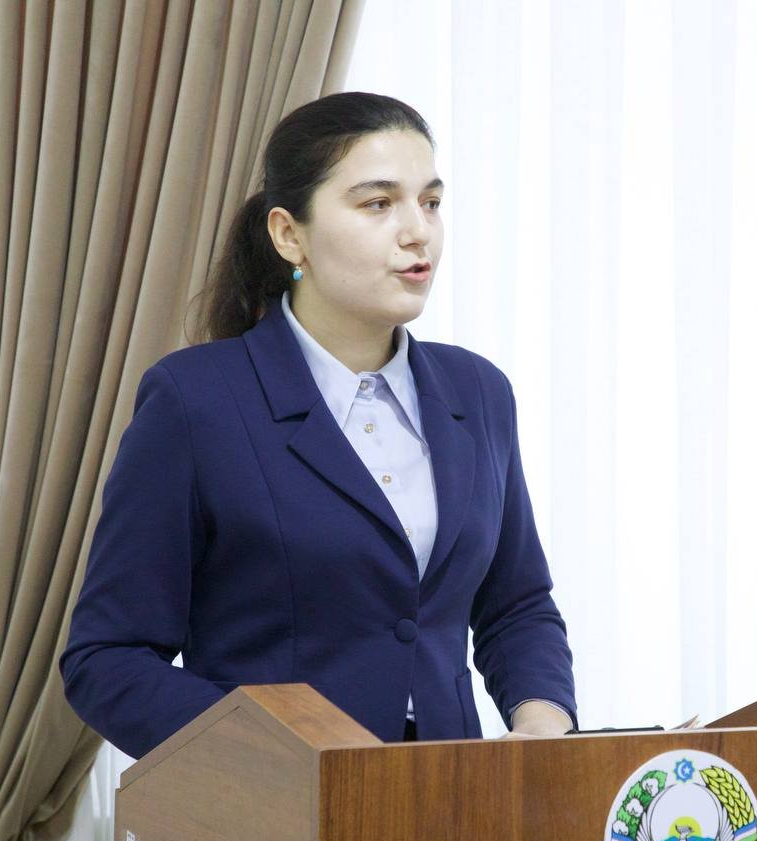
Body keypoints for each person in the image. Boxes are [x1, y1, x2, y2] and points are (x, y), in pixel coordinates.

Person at [59, 92, 577, 760]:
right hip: (272, 801)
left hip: (450, 795)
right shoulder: (195, 401)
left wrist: (542, 721)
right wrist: (276, 751)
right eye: (378, 203)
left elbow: (517, 606)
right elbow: (108, 659)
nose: (417, 231)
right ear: (288, 234)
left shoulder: (478, 392)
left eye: (430, 202)